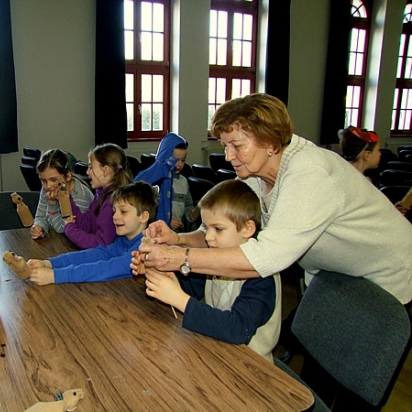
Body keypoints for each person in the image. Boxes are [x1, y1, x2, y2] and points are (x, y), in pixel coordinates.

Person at [133, 93, 412, 306]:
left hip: (384, 274)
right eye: (226, 146)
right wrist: (177, 239)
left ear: (269, 142)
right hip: (337, 273)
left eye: (237, 146)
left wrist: (177, 258)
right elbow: (215, 230)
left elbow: (264, 257)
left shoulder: (308, 173)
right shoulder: (255, 173)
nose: (228, 156)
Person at [140, 180, 280, 361]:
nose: (208, 237)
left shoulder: (261, 276)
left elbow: (237, 330)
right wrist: (161, 274)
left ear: (247, 229)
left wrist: (178, 298)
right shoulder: (215, 257)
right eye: (206, 228)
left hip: (250, 365)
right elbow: (192, 288)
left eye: (218, 229)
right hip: (216, 351)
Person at [28, 181, 157, 285]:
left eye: (123, 211)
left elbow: (107, 268)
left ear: (144, 216)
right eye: (114, 211)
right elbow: (94, 255)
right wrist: (50, 263)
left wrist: (56, 276)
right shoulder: (124, 241)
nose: (115, 217)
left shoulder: (145, 248)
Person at [64, 143, 133, 249]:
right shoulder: (101, 194)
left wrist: (70, 230)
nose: (87, 172)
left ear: (105, 170)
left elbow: (100, 244)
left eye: (91, 167)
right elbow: (86, 224)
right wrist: (66, 198)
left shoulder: (111, 203)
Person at [135, 133, 198, 229]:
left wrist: (193, 214)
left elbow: (188, 205)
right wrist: (167, 220)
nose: (179, 164)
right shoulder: (155, 179)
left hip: (176, 232)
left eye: (183, 161)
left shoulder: (183, 181)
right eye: (175, 160)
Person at [31, 149, 94, 240]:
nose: (48, 186)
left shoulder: (80, 196)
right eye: (43, 180)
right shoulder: (49, 188)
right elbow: (40, 216)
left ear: (67, 176)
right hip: (58, 241)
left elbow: (62, 229)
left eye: (53, 180)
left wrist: (52, 204)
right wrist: (38, 227)